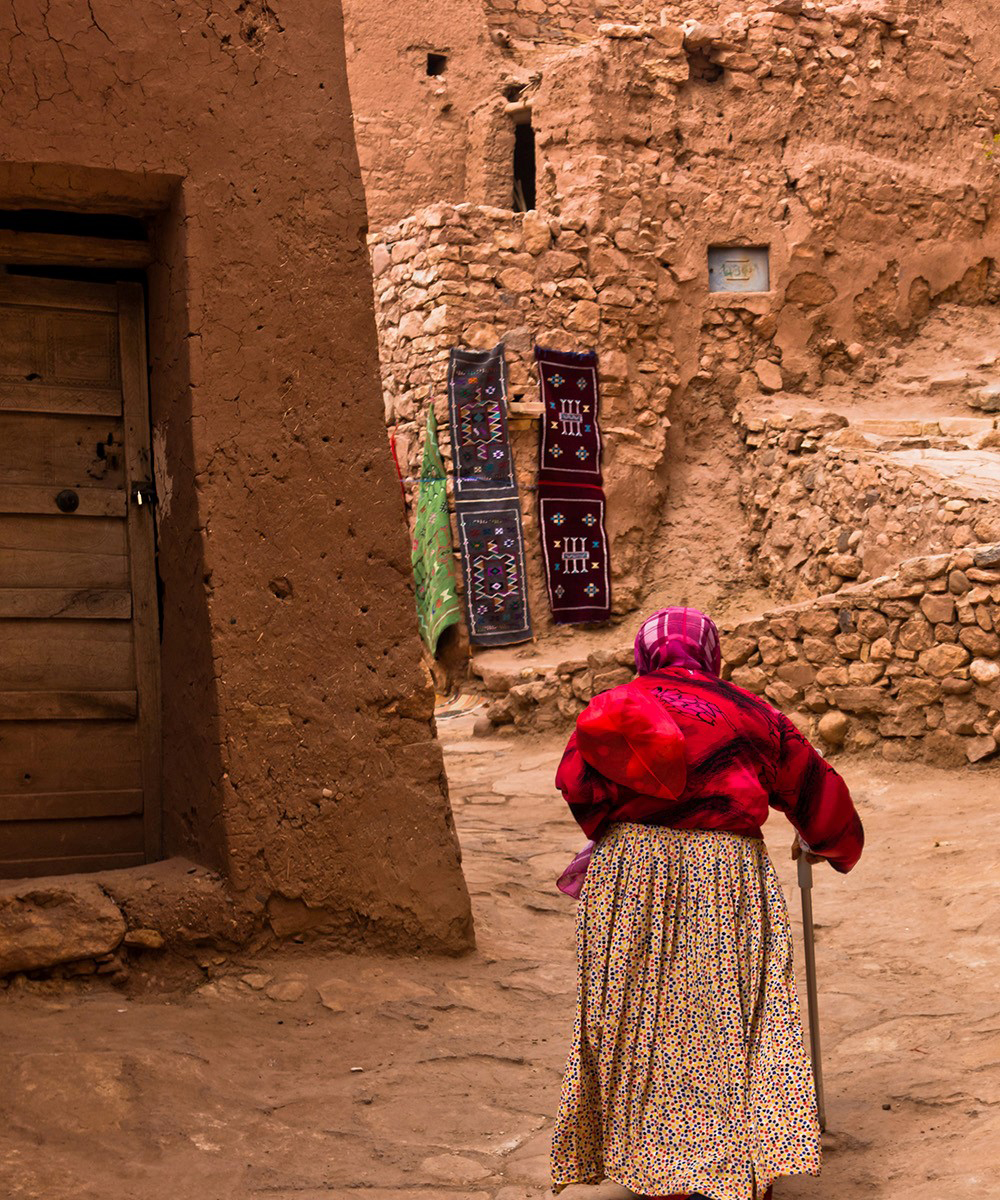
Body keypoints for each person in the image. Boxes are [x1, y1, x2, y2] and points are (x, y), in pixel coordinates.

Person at [550, 607, 864, 1200]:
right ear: (711, 655)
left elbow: (578, 784)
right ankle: (739, 1162)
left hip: (629, 875)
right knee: (731, 1009)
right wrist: (832, 840)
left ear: (644, 655)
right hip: (727, 874)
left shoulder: (612, 707)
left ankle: (651, 1163)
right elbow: (814, 788)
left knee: (640, 1011)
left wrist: (628, 821)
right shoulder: (754, 714)